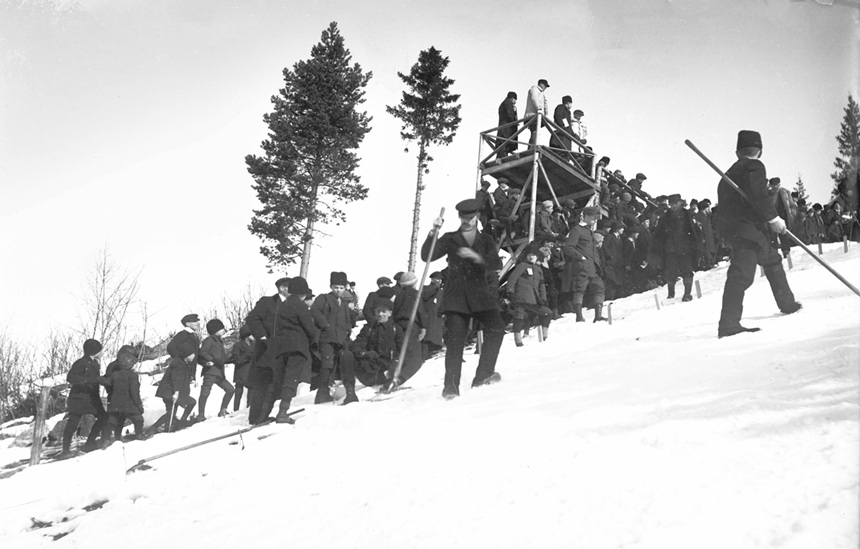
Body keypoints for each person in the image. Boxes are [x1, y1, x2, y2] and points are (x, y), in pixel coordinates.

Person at [715, 130, 802, 338]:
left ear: (737, 152)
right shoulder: (754, 166)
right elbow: (757, 193)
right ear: (760, 151)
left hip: (748, 232)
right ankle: (728, 325)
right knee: (741, 276)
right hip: (748, 232)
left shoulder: (729, 173)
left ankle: (787, 303)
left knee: (772, 261)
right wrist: (773, 219)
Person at [421, 198, 505, 399]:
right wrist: (433, 232)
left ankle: (483, 374)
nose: (466, 221)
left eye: (471, 218)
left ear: (477, 217)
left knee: (497, 329)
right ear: (459, 217)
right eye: (463, 218)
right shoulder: (450, 238)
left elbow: (496, 264)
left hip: (481, 295)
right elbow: (427, 256)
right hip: (456, 296)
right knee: (455, 342)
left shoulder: (486, 240)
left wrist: (476, 257)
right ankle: (450, 387)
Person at [269, 277, 321, 420]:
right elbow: (309, 327)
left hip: (282, 347)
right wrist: (315, 341)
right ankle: (282, 412)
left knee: (281, 379)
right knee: (291, 379)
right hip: (297, 347)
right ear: (303, 293)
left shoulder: (283, 305)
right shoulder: (300, 305)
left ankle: (265, 413)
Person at [244, 277, 290, 424]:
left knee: (275, 384)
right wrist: (263, 337)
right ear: (282, 288)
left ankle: (264, 415)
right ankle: (255, 417)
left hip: (282, 350)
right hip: (265, 349)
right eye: (290, 287)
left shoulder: (292, 305)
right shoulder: (267, 302)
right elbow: (252, 318)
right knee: (263, 383)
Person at [311, 271, 358, 404]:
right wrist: (325, 324)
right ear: (331, 287)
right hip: (326, 338)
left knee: (345, 360)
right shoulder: (323, 298)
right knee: (327, 364)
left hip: (341, 338)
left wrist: (348, 330)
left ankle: (349, 392)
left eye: (341, 288)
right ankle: (322, 394)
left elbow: (347, 319)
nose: (338, 290)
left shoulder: (343, 302)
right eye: (336, 287)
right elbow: (314, 310)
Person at [61, 339, 107, 456]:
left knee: (103, 417)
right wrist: (88, 381)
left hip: (91, 397)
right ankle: (65, 450)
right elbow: (71, 378)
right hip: (79, 398)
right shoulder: (80, 363)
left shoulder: (95, 363)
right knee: (73, 423)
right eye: (100, 350)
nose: (102, 352)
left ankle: (90, 443)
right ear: (94, 351)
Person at [561, 206, 607, 322]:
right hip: (582, 267)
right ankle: (579, 317)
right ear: (585, 217)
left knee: (600, 288)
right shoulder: (577, 230)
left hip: (593, 266)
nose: (594, 220)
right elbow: (568, 248)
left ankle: (598, 316)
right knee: (580, 290)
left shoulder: (589, 230)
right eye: (592, 218)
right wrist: (581, 257)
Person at [653, 194, 702, 302]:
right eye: (671, 204)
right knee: (671, 272)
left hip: (686, 248)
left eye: (676, 203)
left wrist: (697, 247)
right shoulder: (665, 217)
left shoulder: (688, 215)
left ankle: (687, 294)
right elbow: (659, 234)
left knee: (687, 271)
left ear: (681, 203)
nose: (674, 206)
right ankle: (671, 295)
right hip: (670, 249)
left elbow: (696, 232)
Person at [506, 248, 553, 346]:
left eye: (534, 255)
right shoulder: (522, 266)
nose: (531, 257)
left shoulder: (539, 269)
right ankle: (518, 341)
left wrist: (543, 298)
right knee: (519, 317)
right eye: (529, 255)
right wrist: (510, 291)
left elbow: (542, 285)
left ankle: (545, 337)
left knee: (547, 313)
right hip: (521, 298)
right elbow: (512, 279)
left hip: (534, 300)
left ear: (537, 257)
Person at [352, 300, 404, 387]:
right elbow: (358, 345)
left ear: (390, 313)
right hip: (371, 366)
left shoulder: (396, 329)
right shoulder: (368, 328)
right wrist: (365, 354)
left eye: (384, 311)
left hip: (389, 366)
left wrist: (395, 362)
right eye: (378, 311)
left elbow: (402, 349)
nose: (380, 314)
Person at [99, 352, 144, 447]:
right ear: (130, 365)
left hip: (115, 404)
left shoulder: (115, 374)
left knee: (111, 421)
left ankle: (106, 440)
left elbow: (107, 382)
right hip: (130, 404)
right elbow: (134, 392)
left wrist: (99, 379)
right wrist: (139, 405)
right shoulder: (133, 376)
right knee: (138, 419)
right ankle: (139, 434)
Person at [150, 341, 198, 433]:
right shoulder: (178, 364)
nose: (194, 356)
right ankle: (154, 429)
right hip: (170, 392)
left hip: (171, 392)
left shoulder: (182, 362)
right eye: (192, 354)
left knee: (174, 411)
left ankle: (176, 424)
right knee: (171, 412)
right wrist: (176, 392)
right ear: (186, 354)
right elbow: (175, 379)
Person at [391, 272, 426, 385]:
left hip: (399, 326)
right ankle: (398, 380)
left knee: (404, 355)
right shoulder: (416, 294)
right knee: (416, 360)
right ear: (414, 283)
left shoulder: (399, 296)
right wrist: (424, 327)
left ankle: (395, 379)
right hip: (412, 326)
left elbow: (395, 312)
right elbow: (420, 311)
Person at [197, 319, 236, 420]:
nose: (224, 330)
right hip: (210, 372)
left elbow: (221, 358)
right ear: (216, 330)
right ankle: (200, 415)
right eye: (222, 328)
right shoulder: (209, 340)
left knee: (230, 390)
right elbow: (202, 352)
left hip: (219, 373)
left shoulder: (219, 341)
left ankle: (223, 410)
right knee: (205, 393)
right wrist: (211, 360)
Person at [166, 314, 202, 383]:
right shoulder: (182, 335)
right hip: (182, 370)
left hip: (192, 369)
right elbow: (170, 347)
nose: (197, 323)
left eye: (198, 321)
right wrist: (181, 360)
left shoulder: (194, 335)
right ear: (187, 324)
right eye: (194, 321)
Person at [228, 325, 255, 412]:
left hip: (251, 371)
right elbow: (235, 359)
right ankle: (236, 409)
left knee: (251, 390)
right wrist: (246, 357)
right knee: (239, 392)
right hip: (241, 371)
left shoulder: (254, 344)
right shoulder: (238, 345)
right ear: (247, 335)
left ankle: (249, 407)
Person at [524, 79, 549, 146]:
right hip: (533, 115)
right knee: (534, 131)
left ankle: (532, 146)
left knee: (535, 132)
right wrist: (539, 108)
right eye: (545, 86)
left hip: (537, 115)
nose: (545, 88)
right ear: (541, 84)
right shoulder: (535, 89)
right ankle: (532, 147)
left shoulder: (541, 93)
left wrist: (545, 113)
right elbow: (534, 98)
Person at [497, 91, 518, 157]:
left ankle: (500, 157)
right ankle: (502, 157)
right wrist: (515, 120)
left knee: (502, 144)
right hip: (506, 128)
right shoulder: (508, 103)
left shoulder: (504, 103)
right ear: (512, 98)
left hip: (503, 127)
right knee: (504, 143)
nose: (515, 102)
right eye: (515, 100)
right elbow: (510, 115)